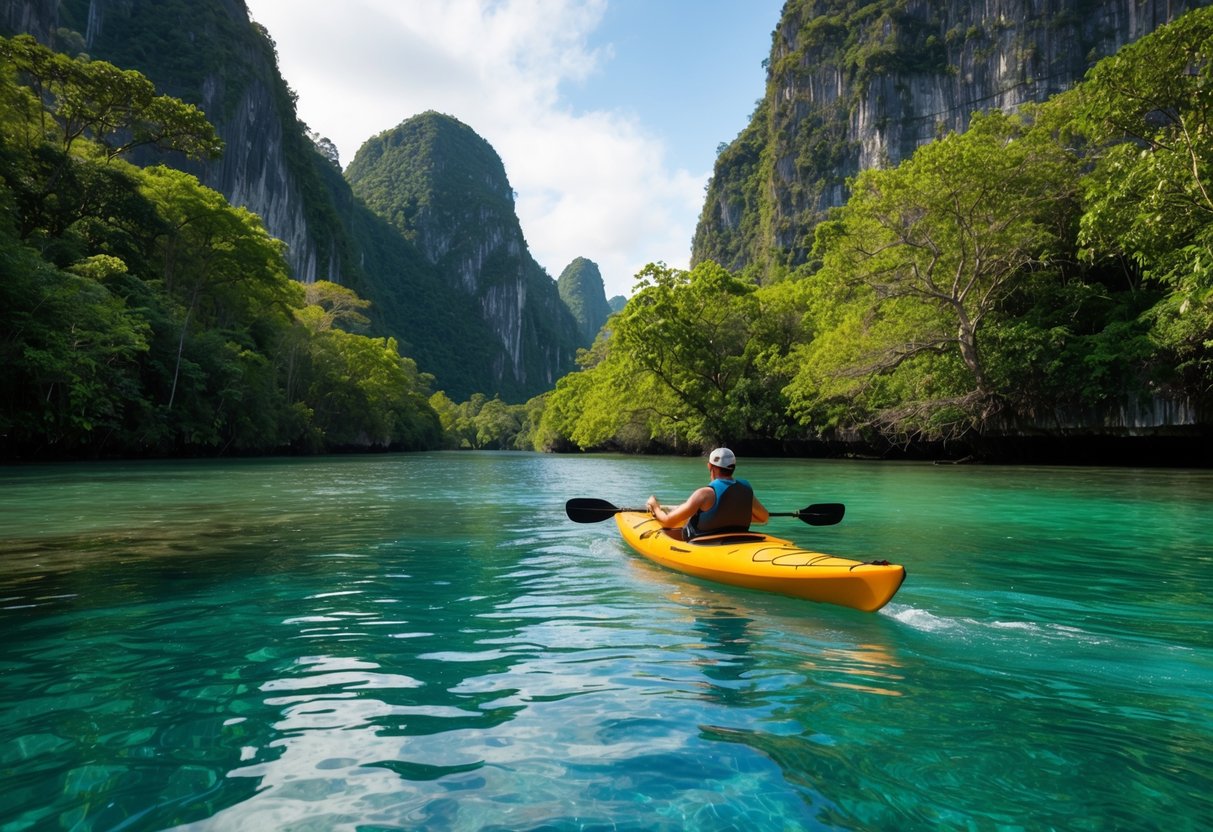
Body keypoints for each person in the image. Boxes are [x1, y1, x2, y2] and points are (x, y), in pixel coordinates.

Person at [645, 447, 769, 540]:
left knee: (668, 529)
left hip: (703, 542)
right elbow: (764, 517)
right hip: (737, 539)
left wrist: (655, 506)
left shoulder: (704, 494)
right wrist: (730, 516)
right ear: (733, 467)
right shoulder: (745, 489)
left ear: (710, 466)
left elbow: (667, 521)